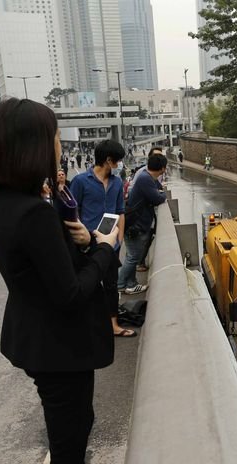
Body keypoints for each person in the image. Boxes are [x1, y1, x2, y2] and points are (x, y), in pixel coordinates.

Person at [0, 98, 115, 464]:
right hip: (60, 347)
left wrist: (82, 240)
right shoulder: (33, 213)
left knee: (71, 431)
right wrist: (104, 250)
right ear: (34, 146)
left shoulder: (2, 202)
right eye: (56, 137)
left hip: (37, 339)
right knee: (69, 440)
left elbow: (44, 269)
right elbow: (71, 293)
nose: (59, 146)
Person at [70, 140, 139, 338]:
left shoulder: (117, 183)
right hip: (87, 243)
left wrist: (119, 239)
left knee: (110, 285)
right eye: (117, 161)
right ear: (108, 160)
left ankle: (113, 325)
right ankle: (86, 326)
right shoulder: (81, 181)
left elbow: (120, 211)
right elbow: (73, 212)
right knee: (88, 284)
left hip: (110, 244)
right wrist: (81, 238)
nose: (119, 165)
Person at [118, 154, 167, 293]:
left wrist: (159, 191)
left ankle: (131, 283)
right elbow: (158, 198)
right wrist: (163, 194)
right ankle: (120, 284)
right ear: (162, 168)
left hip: (135, 224)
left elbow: (158, 188)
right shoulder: (145, 179)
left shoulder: (147, 177)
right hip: (135, 225)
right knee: (133, 257)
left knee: (132, 256)